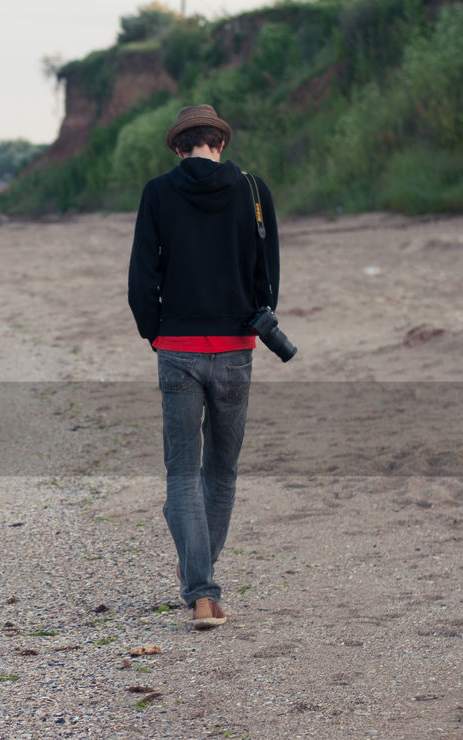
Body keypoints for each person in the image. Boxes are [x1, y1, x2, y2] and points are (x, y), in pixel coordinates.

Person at [127, 104, 280, 630]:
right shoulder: (254, 190)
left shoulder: (158, 192)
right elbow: (268, 275)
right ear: (220, 143)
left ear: (178, 147)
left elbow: (141, 276)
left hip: (178, 349)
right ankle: (201, 586)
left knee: (181, 473)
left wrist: (155, 332)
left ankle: (200, 588)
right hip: (237, 347)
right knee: (222, 470)